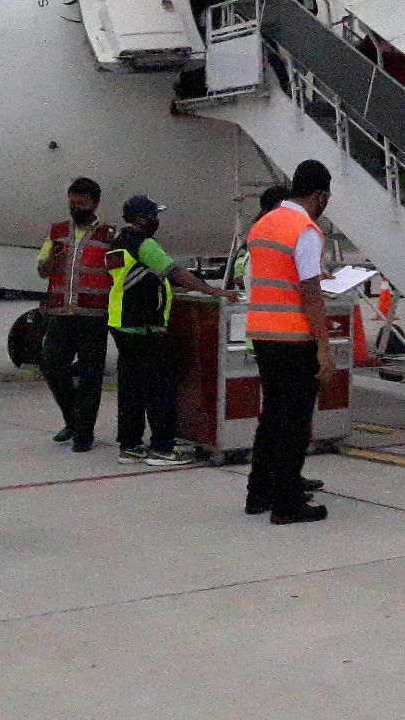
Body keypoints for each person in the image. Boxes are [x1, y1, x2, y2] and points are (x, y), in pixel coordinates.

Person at [243, 160, 337, 524]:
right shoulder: (305, 230)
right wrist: (324, 347)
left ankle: (259, 493)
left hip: (263, 333)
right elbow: (310, 294)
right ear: (319, 196)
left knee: (271, 417)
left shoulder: (263, 224)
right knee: (295, 422)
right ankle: (287, 503)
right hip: (295, 337)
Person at [105, 195, 228, 466]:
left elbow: (134, 278)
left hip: (121, 322)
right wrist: (213, 291)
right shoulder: (144, 244)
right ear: (143, 219)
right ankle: (162, 447)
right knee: (160, 388)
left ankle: (130, 445)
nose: (157, 221)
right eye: (154, 215)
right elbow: (175, 272)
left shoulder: (116, 244)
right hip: (145, 324)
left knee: (131, 389)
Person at [36, 177, 117, 453]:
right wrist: (52, 262)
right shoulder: (57, 231)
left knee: (90, 376)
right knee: (51, 364)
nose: (75, 208)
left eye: (81, 204)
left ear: (94, 204)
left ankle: (84, 433)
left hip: (93, 315)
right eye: (72, 203)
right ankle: (73, 419)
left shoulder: (109, 236)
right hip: (61, 312)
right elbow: (42, 269)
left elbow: (117, 274)